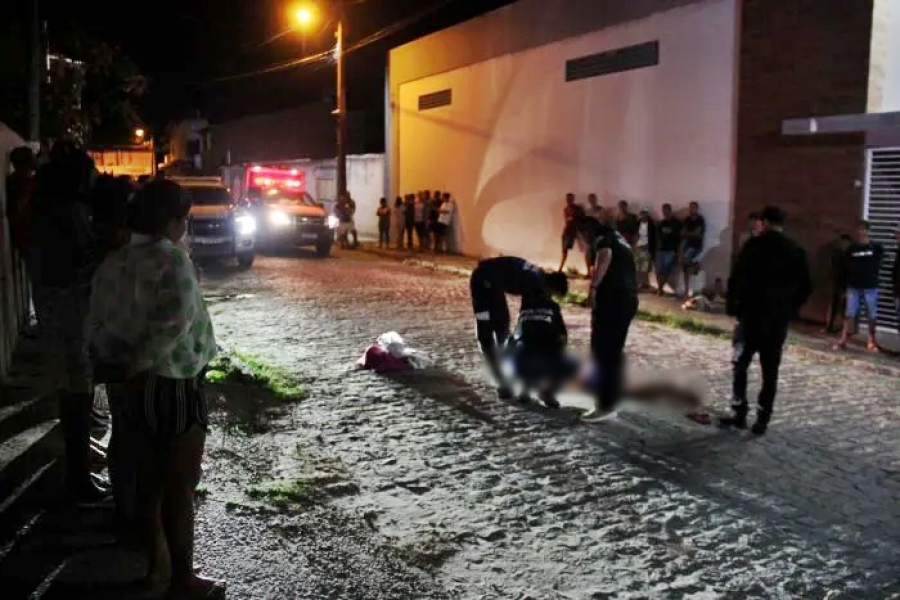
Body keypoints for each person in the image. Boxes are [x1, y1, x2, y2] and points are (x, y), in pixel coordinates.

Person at [87, 179, 224, 598]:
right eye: (183, 218)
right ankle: (183, 579)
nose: (185, 226)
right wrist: (139, 362)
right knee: (179, 486)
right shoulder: (173, 261)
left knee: (147, 483)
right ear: (170, 221)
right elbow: (173, 324)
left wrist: (119, 366)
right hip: (173, 384)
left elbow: (98, 322)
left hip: (131, 388)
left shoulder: (115, 261)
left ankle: (156, 571)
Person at [31, 141, 106, 502]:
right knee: (78, 395)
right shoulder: (72, 213)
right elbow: (78, 266)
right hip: (72, 315)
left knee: (70, 395)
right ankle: (78, 480)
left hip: (51, 309)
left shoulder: (43, 208)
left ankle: (77, 471)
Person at [724, 206, 812, 435]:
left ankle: (739, 411)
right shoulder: (795, 250)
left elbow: (737, 279)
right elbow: (806, 287)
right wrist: (789, 310)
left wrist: (733, 307)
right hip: (776, 322)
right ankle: (762, 419)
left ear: (763, 222)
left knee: (740, 364)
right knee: (770, 371)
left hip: (751, 318)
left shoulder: (753, 246)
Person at [469, 257, 568, 399]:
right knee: (486, 331)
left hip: (494, 285)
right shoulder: (536, 284)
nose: (549, 297)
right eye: (552, 294)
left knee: (502, 326)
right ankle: (500, 379)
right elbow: (530, 317)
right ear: (551, 287)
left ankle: (504, 375)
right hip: (481, 284)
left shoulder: (538, 277)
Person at [575, 215, 638, 420]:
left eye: (580, 238)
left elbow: (605, 256)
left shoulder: (603, 238)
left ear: (586, 233)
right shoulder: (618, 236)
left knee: (602, 351)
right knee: (613, 352)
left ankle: (605, 405)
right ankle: (611, 398)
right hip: (627, 299)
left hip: (613, 300)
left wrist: (593, 289)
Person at [501, 281, 577, 409]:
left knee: (529, 353)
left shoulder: (526, 303)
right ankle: (547, 393)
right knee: (566, 362)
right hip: (534, 358)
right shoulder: (553, 307)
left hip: (515, 360)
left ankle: (525, 390)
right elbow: (562, 336)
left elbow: (519, 334)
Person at [834, 220, 884, 352]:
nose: (862, 232)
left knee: (871, 313)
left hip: (870, 286)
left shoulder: (876, 247)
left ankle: (871, 340)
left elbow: (879, 263)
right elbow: (845, 267)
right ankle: (843, 339)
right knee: (849, 313)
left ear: (868, 231)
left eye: (864, 229)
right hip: (854, 286)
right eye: (859, 229)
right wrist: (844, 285)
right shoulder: (852, 248)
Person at [821, 233, 853, 334]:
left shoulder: (850, 255)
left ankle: (844, 329)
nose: (842, 244)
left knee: (844, 307)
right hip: (836, 282)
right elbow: (832, 268)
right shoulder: (837, 253)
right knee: (834, 306)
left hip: (845, 283)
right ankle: (829, 326)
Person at [655, 203, 681, 295]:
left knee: (666, 270)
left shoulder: (676, 223)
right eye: (663, 211)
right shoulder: (661, 223)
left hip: (670, 250)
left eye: (666, 211)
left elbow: (679, 239)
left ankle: (660, 288)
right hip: (660, 249)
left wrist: (677, 252)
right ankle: (659, 288)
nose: (665, 213)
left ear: (670, 211)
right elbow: (657, 237)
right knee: (658, 270)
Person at [681, 201, 706, 298]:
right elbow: (682, 233)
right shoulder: (687, 219)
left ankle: (688, 290)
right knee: (685, 266)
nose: (691, 209)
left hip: (695, 246)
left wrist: (688, 233)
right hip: (686, 245)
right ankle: (687, 290)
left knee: (686, 264)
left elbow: (697, 233)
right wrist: (692, 233)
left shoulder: (700, 219)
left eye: (693, 207)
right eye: (690, 207)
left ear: (697, 208)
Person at [558, 193, 586, 273]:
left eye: (570, 199)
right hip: (568, 231)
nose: (568, 201)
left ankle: (589, 271)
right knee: (564, 251)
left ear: (573, 199)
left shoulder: (578, 209)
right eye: (567, 199)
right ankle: (560, 269)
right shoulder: (566, 209)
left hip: (577, 231)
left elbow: (582, 219)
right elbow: (567, 221)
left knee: (584, 250)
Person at [635, 207, 657, 290]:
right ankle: (639, 282)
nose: (644, 215)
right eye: (643, 213)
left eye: (645, 213)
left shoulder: (651, 223)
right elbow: (636, 234)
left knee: (645, 266)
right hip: (639, 245)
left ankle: (644, 283)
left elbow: (653, 236)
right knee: (638, 265)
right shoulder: (638, 223)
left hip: (647, 246)